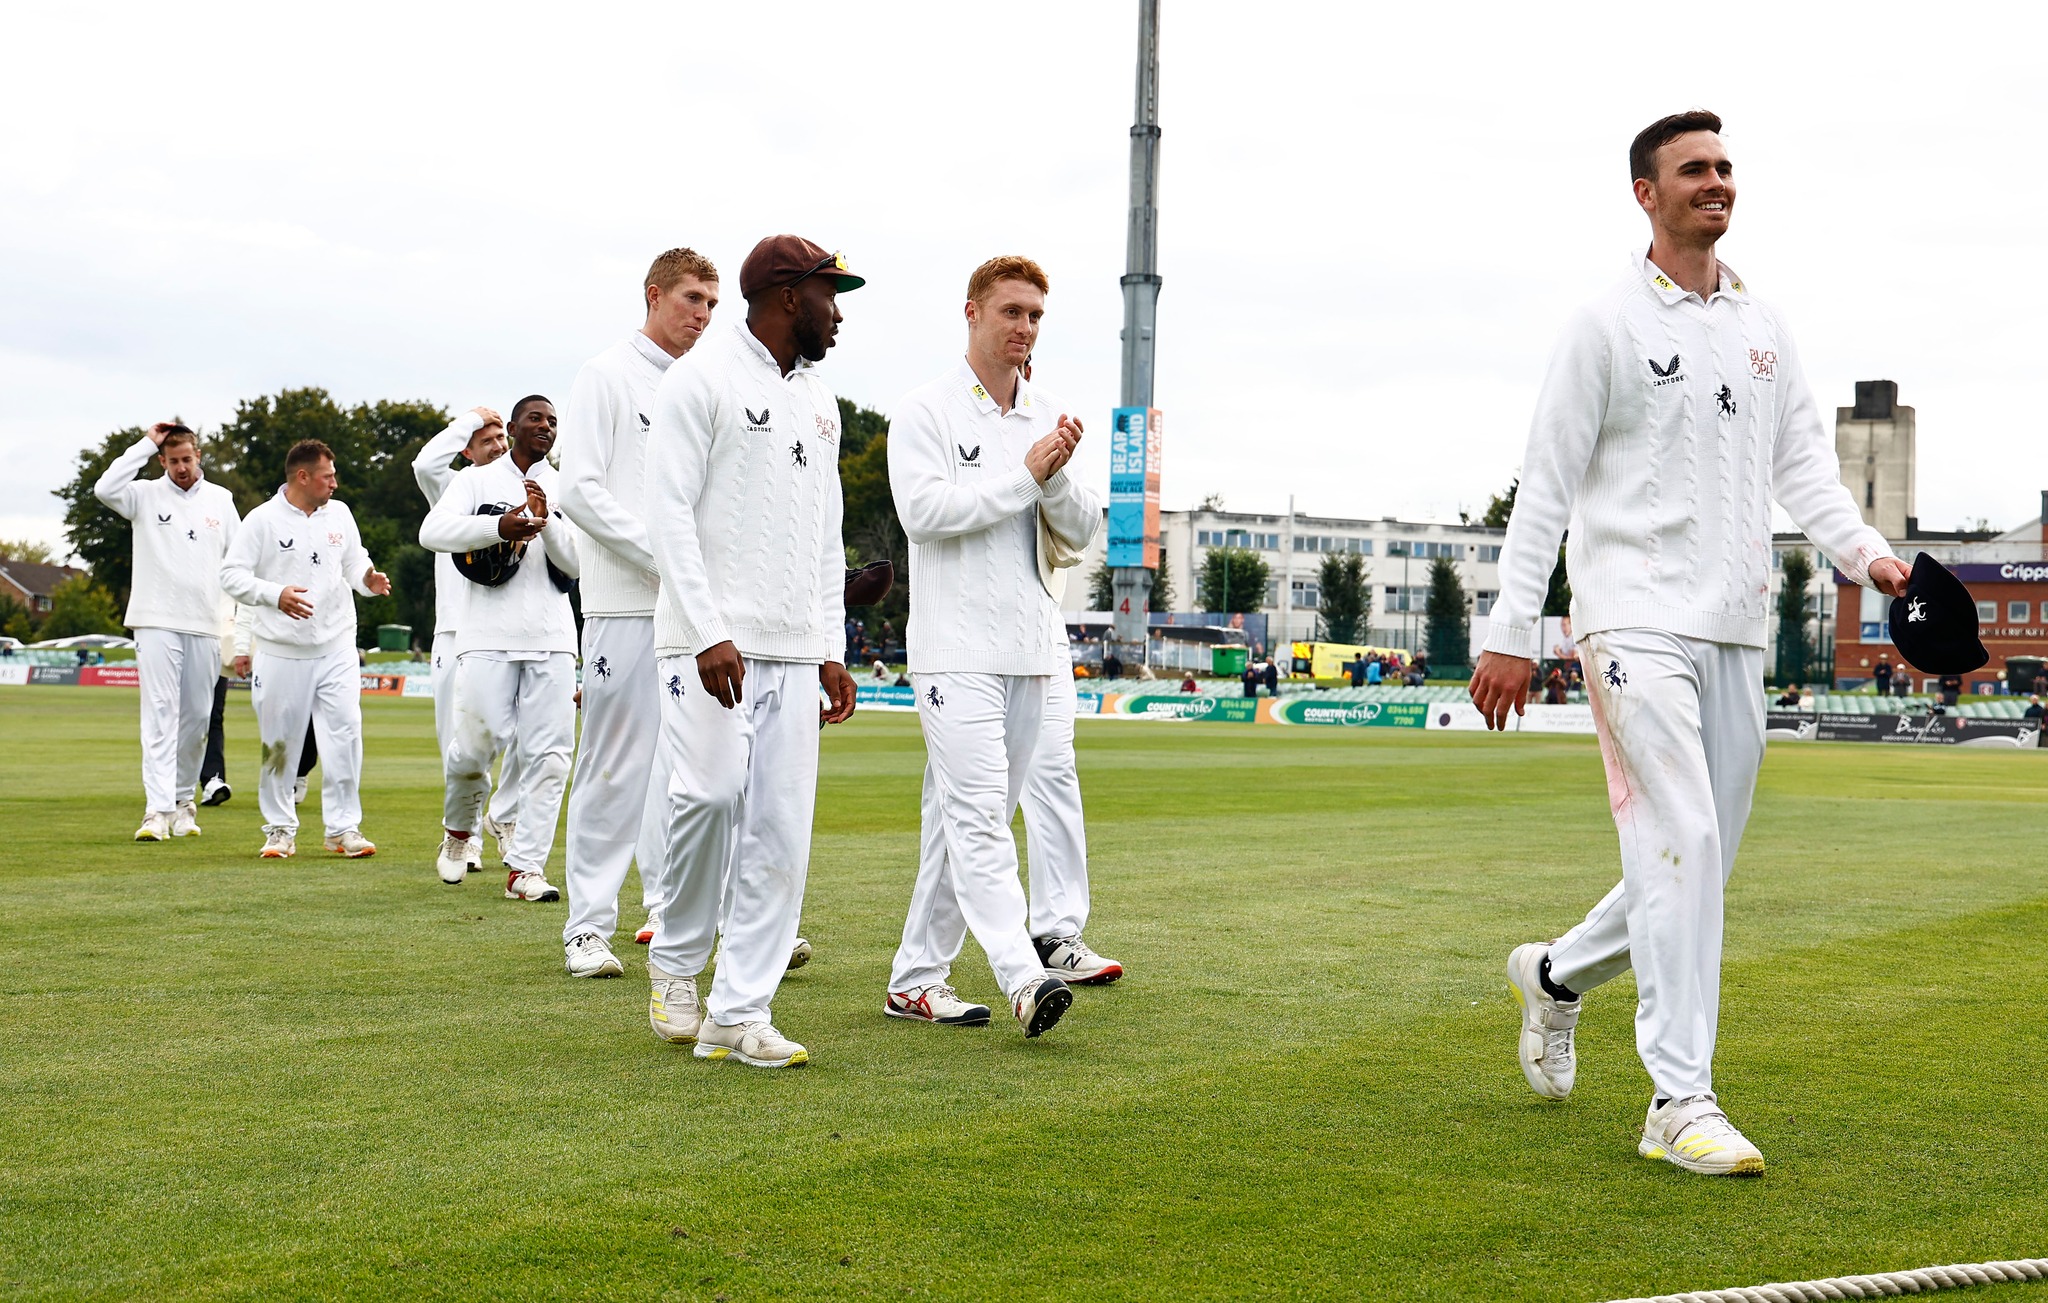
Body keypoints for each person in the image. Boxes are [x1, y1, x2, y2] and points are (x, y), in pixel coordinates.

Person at [1473, 110, 1909, 1176]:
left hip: (1732, 624)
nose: (1713, 182)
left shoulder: (1762, 325)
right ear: (1644, 193)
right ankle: (1678, 1100)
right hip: (1627, 617)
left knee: (1694, 862)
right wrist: (1511, 627)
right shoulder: (1603, 323)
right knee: (1679, 840)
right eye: (1691, 170)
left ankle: (1555, 975)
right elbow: (1546, 483)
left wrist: (1867, 554)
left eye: (1722, 167)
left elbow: (1802, 465)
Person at [641, 233, 861, 1069]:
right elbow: (667, 513)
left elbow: (828, 533)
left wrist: (832, 644)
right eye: (828, 295)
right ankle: (675, 958)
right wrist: (707, 629)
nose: (837, 314)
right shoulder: (699, 380)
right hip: (709, 644)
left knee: (779, 829)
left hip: (795, 646)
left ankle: (739, 1011)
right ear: (786, 295)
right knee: (708, 793)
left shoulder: (821, 399)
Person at [884, 253, 1102, 1037]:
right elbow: (924, 513)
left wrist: (1053, 477)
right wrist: (1024, 475)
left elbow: (1081, 534)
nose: (1025, 327)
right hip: (954, 649)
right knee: (978, 818)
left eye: (1036, 315)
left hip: (1033, 647)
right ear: (972, 313)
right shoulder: (926, 409)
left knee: (961, 820)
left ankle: (915, 978)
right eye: (1011, 311)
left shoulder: (1047, 413)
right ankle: (1022, 973)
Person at [555, 248, 719, 976]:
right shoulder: (605, 375)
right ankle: (587, 928)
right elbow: (581, 491)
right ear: (653, 294)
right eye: (691, 298)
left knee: (691, 769)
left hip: (694, 610)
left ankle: (671, 912)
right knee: (614, 766)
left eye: (713, 304)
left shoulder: (704, 383)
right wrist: (664, 557)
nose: (703, 316)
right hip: (626, 602)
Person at [420, 396, 580, 903]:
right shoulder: (475, 481)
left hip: (554, 637)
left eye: (553, 421)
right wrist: (500, 527)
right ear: (511, 428)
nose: (545, 426)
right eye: (535, 418)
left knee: (551, 758)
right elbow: (433, 532)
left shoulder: (566, 484)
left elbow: (575, 565)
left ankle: (526, 868)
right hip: (486, 636)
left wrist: (545, 521)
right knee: (473, 749)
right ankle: (458, 829)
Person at [219, 438, 391, 858]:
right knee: (279, 742)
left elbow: (353, 561)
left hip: (336, 645)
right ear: (303, 477)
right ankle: (279, 829)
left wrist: (367, 580)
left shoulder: (341, 513)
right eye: (328, 475)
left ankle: (343, 829)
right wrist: (275, 594)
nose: (335, 482)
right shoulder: (262, 521)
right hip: (281, 651)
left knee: (346, 735)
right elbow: (231, 575)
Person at [94, 421, 244, 841]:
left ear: (198, 456)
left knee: (197, 719)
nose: (181, 467)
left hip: (206, 622)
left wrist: (240, 621)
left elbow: (240, 559)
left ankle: (182, 803)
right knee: (160, 713)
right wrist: (145, 442)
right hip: (155, 619)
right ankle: (155, 811)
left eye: (187, 459)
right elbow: (105, 488)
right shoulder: (142, 494)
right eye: (173, 460)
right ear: (162, 460)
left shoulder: (221, 499)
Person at [411, 405, 517, 874]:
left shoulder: (523, 485)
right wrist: (466, 421)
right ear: (467, 450)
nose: (496, 444)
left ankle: (506, 818)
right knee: (459, 738)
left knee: (518, 736)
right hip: (455, 628)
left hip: (510, 629)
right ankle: (465, 834)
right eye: (485, 438)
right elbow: (424, 465)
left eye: (500, 437)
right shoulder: (452, 488)